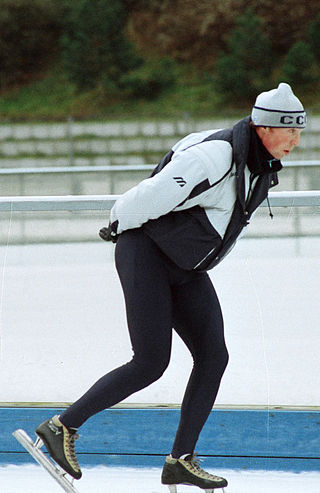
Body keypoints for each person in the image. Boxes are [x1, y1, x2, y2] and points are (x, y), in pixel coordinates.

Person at [35, 83, 305, 491]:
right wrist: (117, 225)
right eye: (290, 131)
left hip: (185, 267)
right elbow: (152, 193)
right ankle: (61, 427)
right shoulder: (217, 155)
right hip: (145, 253)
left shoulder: (258, 164)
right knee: (150, 361)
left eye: (300, 131)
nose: (296, 141)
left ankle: (180, 459)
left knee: (214, 356)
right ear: (264, 127)